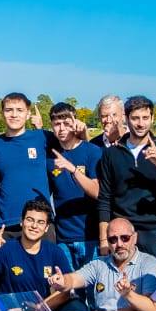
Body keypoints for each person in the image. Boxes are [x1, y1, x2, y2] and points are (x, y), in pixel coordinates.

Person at [96, 95, 156, 262]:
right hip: (123, 231)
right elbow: (104, 198)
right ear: (126, 119)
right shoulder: (111, 154)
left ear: (152, 118)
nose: (141, 123)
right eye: (135, 118)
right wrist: (104, 240)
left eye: (145, 118)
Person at [46, 215, 156, 311]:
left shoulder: (149, 263)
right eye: (113, 239)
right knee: (73, 307)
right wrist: (63, 281)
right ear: (107, 242)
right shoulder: (99, 264)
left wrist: (122, 305)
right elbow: (74, 279)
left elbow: (152, 307)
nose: (119, 244)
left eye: (125, 238)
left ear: (135, 238)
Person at [0, 93, 55, 231]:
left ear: (28, 114)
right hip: (7, 223)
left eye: (19, 110)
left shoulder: (42, 137)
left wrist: (81, 132)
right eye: (9, 110)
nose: (14, 115)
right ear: (2, 113)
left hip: (40, 221)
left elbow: (72, 146)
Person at [0, 199, 70, 298]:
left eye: (40, 222)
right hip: (12, 307)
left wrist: (60, 285)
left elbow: (67, 289)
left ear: (46, 227)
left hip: (42, 306)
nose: (34, 226)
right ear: (21, 222)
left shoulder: (55, 252)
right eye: (30, 220)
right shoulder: (5, 248)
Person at [47, 101, 102, 268]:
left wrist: (73, 170)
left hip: (90, 236)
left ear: (75, 123)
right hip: (63, 238)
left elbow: (97, 192)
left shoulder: (92, 151)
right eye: (57, 124)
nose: (62, 128)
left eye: (66, 123)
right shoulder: (50, 156)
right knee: (67, 284)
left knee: (94, 284)